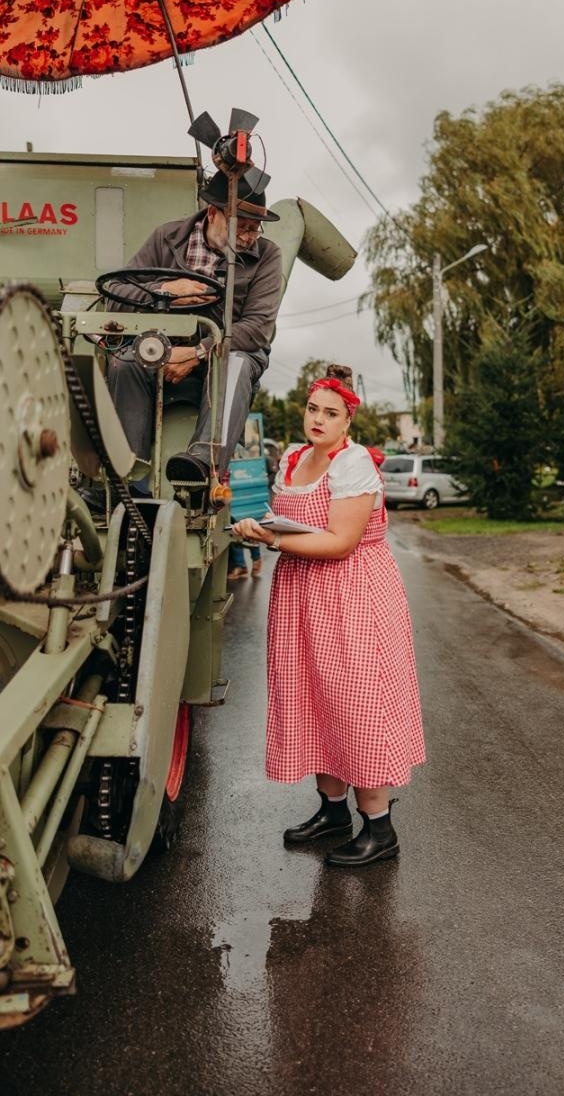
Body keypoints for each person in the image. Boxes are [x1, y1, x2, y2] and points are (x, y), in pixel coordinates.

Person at [232, 364, 425, 867]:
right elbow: (299, 528)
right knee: (314, 699)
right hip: (302, 595)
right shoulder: (294, 458)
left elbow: (341, 543)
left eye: (330, 413)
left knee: (358, 703)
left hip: (353, 595)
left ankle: (380, 830)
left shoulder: (353, 461)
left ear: (347, 422)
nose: (318, 419)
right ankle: (333, 812)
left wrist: (272, 537)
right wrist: (260, 530)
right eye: (313, 408)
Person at [105, 169, 283, 488]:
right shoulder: (167, 238)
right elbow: (116, 294)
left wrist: (200, 351)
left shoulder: (268, 256)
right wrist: (166, 291)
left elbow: (258, 329)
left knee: (238, 363)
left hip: (225, 356)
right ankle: (124, 479)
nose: (250, 237)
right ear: (213, 213)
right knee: (125, 362)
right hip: (163, 352)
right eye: (241, 226)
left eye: (256, 228)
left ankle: (201, 468)